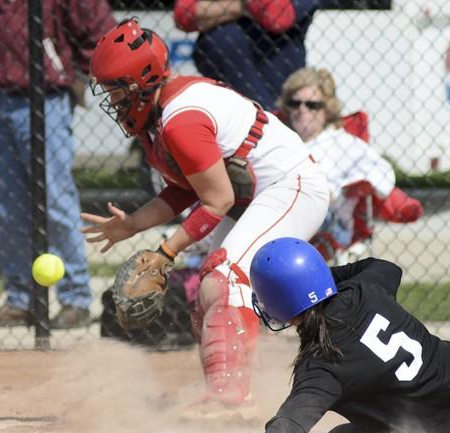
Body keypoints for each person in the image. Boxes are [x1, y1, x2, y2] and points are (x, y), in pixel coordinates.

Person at [82, 19, 329, 413]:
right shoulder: (161, 118)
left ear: (142, 83)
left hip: (291, 185)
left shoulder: (180, 119)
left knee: (226, 275)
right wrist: (132, 225)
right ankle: (237, 384)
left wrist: (165, 252)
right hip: (253, 194)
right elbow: (187, 187)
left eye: (117, 89)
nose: (112, 99)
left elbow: (216, 200)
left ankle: (230, 396)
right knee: (209, 293)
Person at [197, 237, 450, 433]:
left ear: (280, 304)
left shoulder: (322, 365)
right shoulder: (363, 290)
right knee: (434, 365)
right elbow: (386, 267)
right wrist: (319, 281)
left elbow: (289, 426)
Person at [0, 0, 114, 328]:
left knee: (55, 200)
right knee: (6, 206)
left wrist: (78, 76)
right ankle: (21, 299)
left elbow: (99, 29)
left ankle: (76, 298)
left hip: (47, 98)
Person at [276, 67, 423, 262]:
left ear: (327, 109)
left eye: (312, 105)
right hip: (280, 218)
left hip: (325, 227)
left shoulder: (343, 144)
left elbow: (381, 173)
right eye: (295, 103)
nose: (302, 110)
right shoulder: (280, 141)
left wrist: (340, 190)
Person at [173, 0, 322, 109]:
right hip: (226, 86)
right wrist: (243, 6)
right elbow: (184, 14)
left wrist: (219, 8)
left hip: (277, 75)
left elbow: (276, 17)